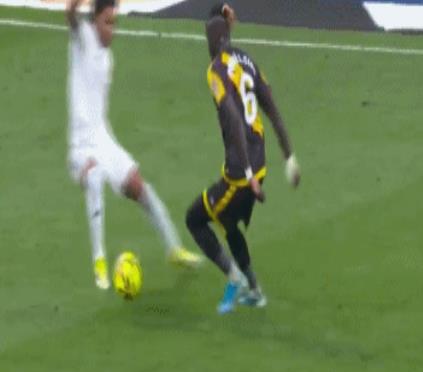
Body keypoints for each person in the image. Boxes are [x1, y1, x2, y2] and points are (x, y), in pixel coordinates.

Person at [66, 0, 201, 290]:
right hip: (81, 145)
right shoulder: (83, 39)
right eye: (107, 22)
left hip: (103, 139)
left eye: (114, 23)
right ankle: (99, 261)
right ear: (94, 21)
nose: (111, 30)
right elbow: (71, 15)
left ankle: (174, 249)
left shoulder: (108, 59)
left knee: (140, 187)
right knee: (94, 176)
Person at [186, 5, 301, 314]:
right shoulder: (247, 60)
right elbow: (272, 108)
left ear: (213, 40)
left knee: (195, 219)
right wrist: (289, 156)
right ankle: (255, 291)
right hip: (260, 164)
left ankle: (235, 278)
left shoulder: (215, 71)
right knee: (227, 221)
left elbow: (234, 119)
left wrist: (248, 174)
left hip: (242, 172)